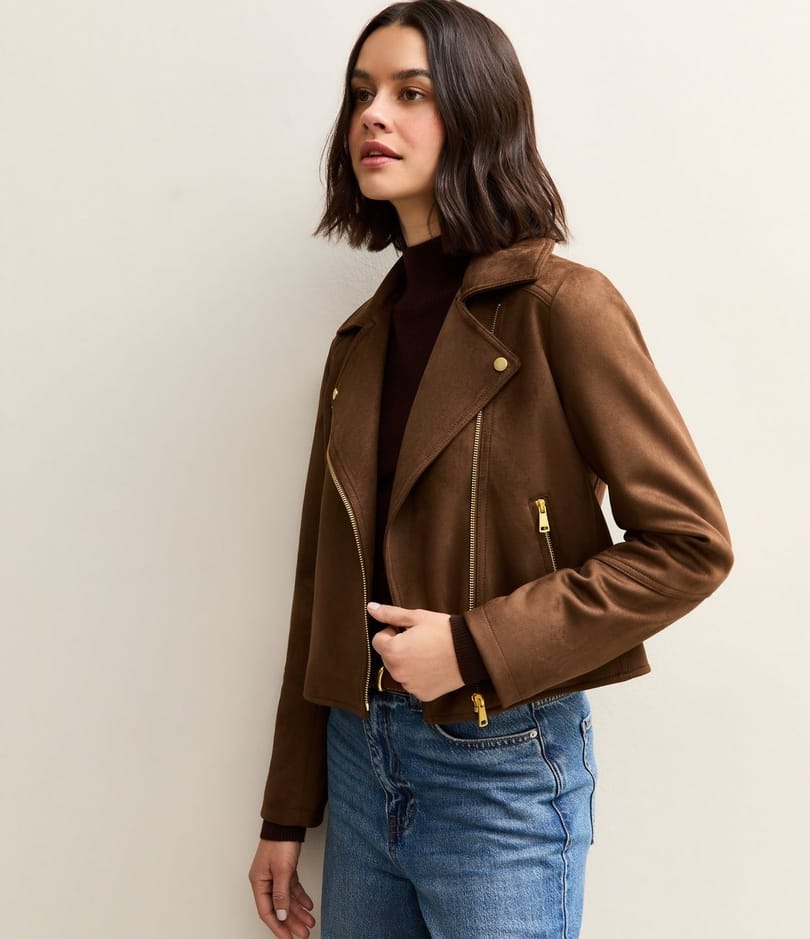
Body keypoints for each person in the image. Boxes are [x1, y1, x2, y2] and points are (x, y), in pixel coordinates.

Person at [248, 2, 734, 936]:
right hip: (359, 758)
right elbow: (321, 587)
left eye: (410, 92)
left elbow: (689, 545)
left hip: (499, 762)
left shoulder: (563, 307)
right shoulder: (361, 340)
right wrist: (286, 809)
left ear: (476, 112)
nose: (371, 115)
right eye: (361, 93)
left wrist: (474, 645)